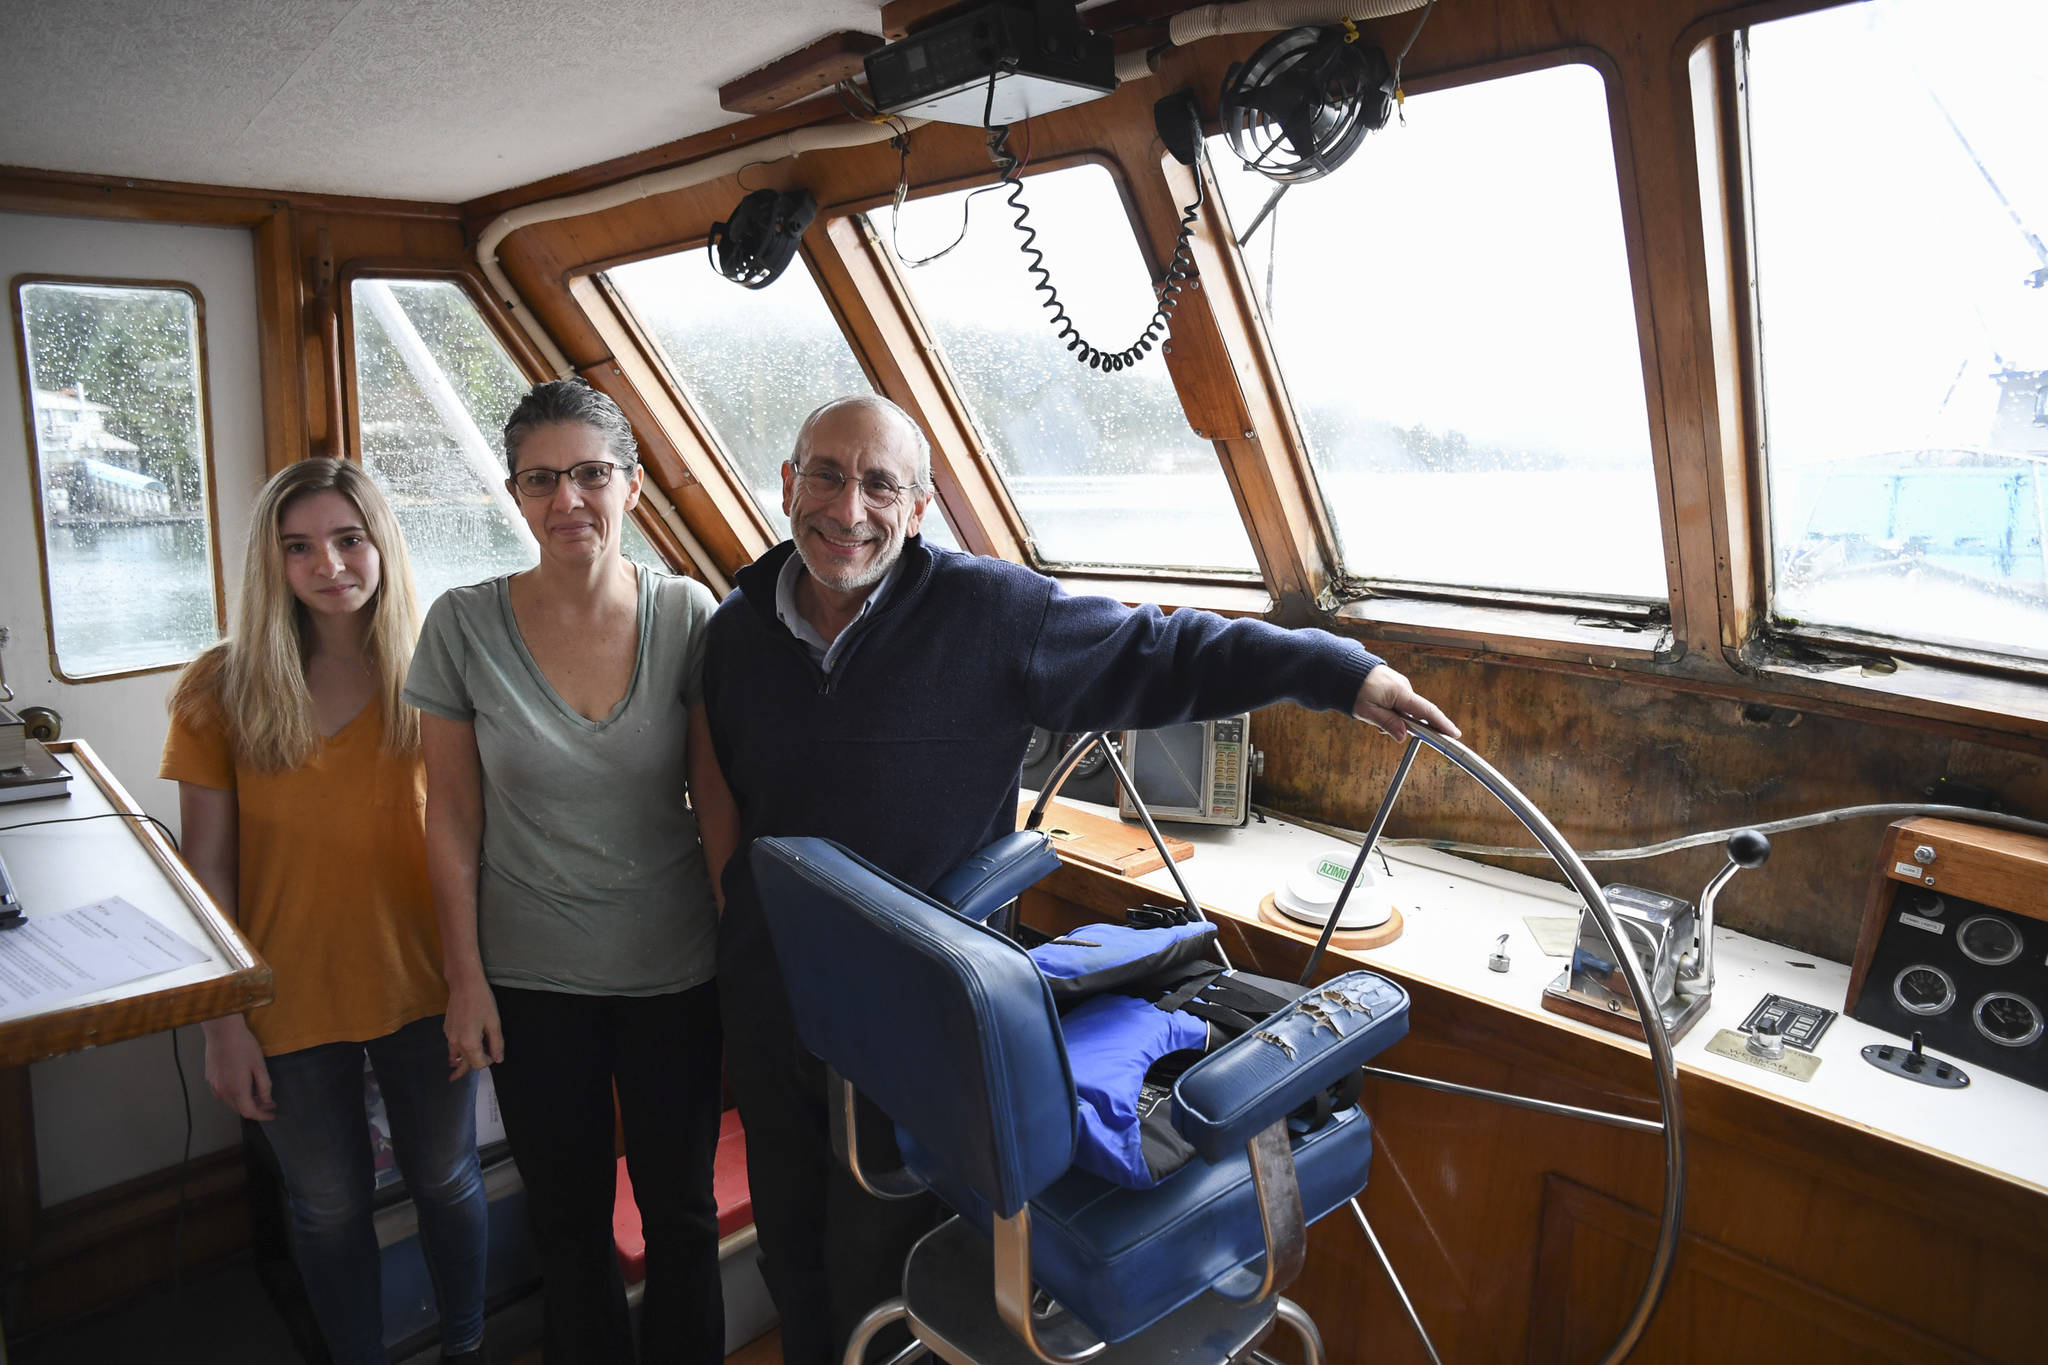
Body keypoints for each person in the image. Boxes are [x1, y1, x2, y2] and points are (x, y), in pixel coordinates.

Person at [701, 393, 1460, 1364]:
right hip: (769, 992)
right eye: (826, 475)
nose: (849, 508)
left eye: (880, 484)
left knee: (874, 1255)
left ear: (919, 509)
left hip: (913, 1019)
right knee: (786, 1238)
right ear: (787, 484)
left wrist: (1335, 671)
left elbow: (1163, 649)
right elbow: (726, 790)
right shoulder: (736, 632)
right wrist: (733, 917)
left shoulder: (992, 615)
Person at [405, 379, 733, 1365]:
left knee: (680, 1215)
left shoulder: (687, 613)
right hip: (532, 976)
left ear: (631, 485)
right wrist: (465, 981)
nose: (568, 500)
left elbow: (716, 800)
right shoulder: (461, 626)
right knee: (568, 1224)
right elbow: (451, 817)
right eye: (541, 479)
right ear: (514, 493)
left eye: (591, 473)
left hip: (676, 969)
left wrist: (743, 951)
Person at [165, 458, 487, 1365]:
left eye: (349, 538)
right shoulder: (220, 687)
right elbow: (206, 868)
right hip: (286, 997)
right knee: (328, 1204)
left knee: (446, 1176)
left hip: (427, 985)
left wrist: (474, 983)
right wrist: (222, 1023)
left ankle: (466, 1347)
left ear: (382, 543)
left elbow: (473, 834)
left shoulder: (437, 668)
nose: (330, 564)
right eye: (299, 546)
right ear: (272, 562)